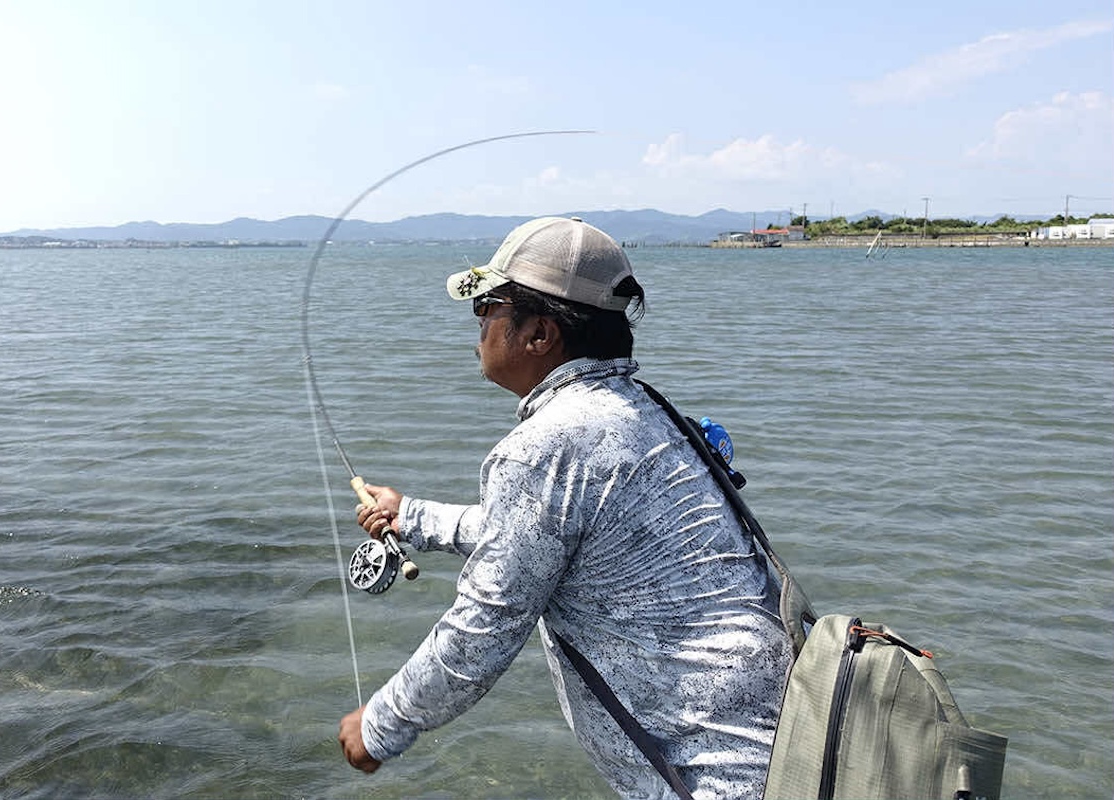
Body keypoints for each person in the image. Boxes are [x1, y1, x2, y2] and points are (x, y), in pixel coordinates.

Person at [338, 217, 793, 799]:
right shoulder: (645, 410)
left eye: (487, 307)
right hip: (787, 746)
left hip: (715, 778)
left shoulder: (546, 446)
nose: (479, 323)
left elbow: (484, 630)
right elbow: (550, 536)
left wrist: (379, 726)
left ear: (539, 334)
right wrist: (413, 518)